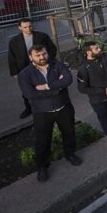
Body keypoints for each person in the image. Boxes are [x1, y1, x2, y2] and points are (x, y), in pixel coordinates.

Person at [18, 44, 81, 182]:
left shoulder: (57, 64)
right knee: (42, 141)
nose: (42, 57)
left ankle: (70, 154)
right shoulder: (24, 74)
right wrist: (57, 88)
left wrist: (46, 86)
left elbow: (68, 79)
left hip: (63, 107)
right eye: (38, 55)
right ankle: (42, 167)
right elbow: (30, 94)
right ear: (31, 57)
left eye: (44, 54)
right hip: (42, 112)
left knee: (69, 133)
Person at [8, 18, 58, 119]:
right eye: (25, 27)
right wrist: (14, 72)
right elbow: (11, 56)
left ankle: (48, 105)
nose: (28, 29)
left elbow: (52, 49)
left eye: (30, 26)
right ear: (20, 28)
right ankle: (29, 108)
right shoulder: (14, 41)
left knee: (44, 85)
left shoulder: (42, 36)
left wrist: (48, 61)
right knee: (26, 89)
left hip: (41, 66)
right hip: (24, 68)